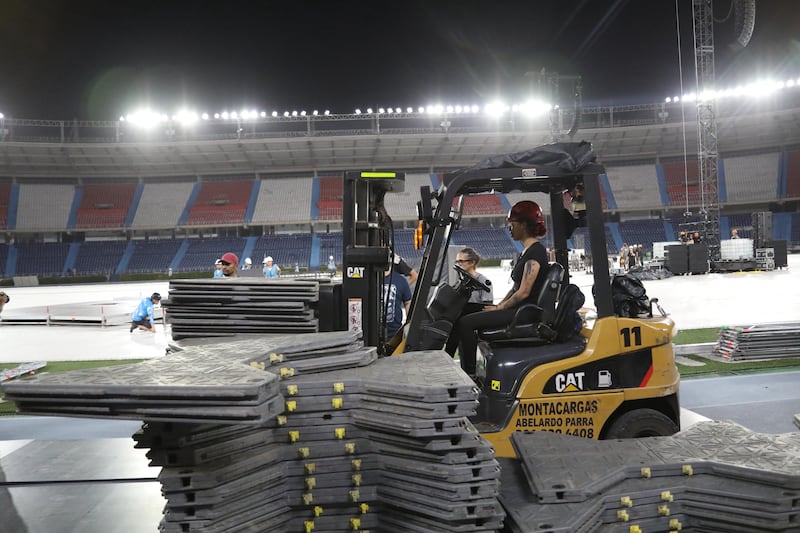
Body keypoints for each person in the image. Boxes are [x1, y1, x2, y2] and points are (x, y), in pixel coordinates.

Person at [454, 200, 550, 378]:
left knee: (466, 323)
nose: (510, 228)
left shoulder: (535, 253)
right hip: (518, 309)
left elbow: (524, 292)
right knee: (462, 312)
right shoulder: (527, 252)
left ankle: (469, 373)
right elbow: (515, 288)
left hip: (524, 312)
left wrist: (500, 308)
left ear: (523, 225)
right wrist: (499, 305)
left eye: (512, 224)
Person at [444, 247, 494, 356]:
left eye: (461, 261)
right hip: (463, 314)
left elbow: (487, 305)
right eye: (457, 261)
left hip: (477, 314)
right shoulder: (461, 282)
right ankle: (448, 354)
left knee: (459, 322)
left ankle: (457, 359)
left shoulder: (484, 281)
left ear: (472, 262)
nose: (458, 264)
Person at [384, 267, 412, 341]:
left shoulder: (401, 281)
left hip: (394, 335)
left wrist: (409, 325)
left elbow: (408, 303)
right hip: (371, 335)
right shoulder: (369, 279)